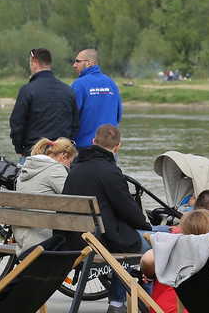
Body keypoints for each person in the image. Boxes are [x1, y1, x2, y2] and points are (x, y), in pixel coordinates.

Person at [60, 124, 151, 313]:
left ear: (94, 142)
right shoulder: (110, 172)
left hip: (72, 240)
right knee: (156, 243)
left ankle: (121, 301)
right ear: (118, 147)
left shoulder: (76, 169)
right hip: (100, 242)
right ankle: (127, 302)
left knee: (137, 238)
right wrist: (148, 227)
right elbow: (129, 211)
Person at [146, 189, 209, 313]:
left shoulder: (174, 238)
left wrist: (149, 276)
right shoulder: (207, 245)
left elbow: (147, 260)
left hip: (159, 308)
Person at [9, 48, 79, 160]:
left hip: (34, 152)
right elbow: (75, 124)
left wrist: (19, 148)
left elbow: (17, 122)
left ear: (34, 63)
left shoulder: (27, 90)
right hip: (61, 154)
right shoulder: (68, 90)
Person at [12, 137, 78, 251]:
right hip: (42, 238)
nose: (69, 167)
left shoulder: (27, 167)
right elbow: (73, 199)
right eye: (70, 163)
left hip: (21, 235)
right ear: (63, 157)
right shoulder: (56, 169)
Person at [71, 49, 123, 149]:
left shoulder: (79, 85)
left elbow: (70, 116)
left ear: (89, 63)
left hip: (84, 149)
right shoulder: (111, 84)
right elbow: (118, 116)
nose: (74, 65)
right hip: (109, 149)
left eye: (78, 61)